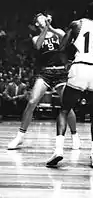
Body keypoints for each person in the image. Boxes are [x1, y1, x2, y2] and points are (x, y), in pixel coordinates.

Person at [46, 2, 93, 169]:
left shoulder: (76, 24)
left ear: (86, 11)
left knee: (64, 110)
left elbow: (62, 47)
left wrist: (67, 63)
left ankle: (58, 150)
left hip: (80, 67)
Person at [7, 12, 80, 150]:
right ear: (36, 23)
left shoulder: (56, 31)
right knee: (32, 102)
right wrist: (46, 28)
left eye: (44, 16)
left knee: (67, 105)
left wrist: (50, 28)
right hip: (45, 71)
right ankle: (20, 137)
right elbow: (38, 45)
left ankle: (75, 136)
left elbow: (66, 38)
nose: (43, 18)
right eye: (40, 17)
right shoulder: (35, 37)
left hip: (60, 71)